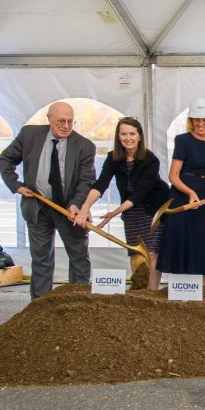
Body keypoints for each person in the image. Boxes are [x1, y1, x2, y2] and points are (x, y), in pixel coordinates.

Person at [0, 101, 96, 299]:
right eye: (61, 121)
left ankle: (78, 303)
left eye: (70, 122)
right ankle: (40, 307)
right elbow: (5, 160)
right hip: (37, 207)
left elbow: (86, 181)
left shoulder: (85, 146)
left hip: (69, 210)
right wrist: (16, 185)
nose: (66, 126)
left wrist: (76, 204)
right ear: (49, 118)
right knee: (41, 259)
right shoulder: (29, 135)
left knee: (79, 258)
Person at [73, 117, 170, 290]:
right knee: (135, 252)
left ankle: (152, 292)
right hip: (130, 212)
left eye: (132, 134)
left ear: (139, 136)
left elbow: (140, 193)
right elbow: (100, 184)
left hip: (154, 210)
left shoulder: (150, 160)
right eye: (124, 134)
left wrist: (113, 213)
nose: (128, 138)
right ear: (118, 137)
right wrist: (85, 207)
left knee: (152, 253)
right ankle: (139, 293)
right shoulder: (113, 158)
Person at [157, 98, 205, 285]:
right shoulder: (183, 141)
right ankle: (180, 287)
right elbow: (173, 175)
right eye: (197, 120)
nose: (201, 124)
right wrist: (189, 192)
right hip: (182, 195)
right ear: (192, 121)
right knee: (181, 239)